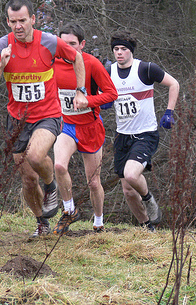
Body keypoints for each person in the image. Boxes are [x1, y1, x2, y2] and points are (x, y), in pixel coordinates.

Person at [0, 0, 86, 238]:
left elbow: (77, 58)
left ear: (33, 19)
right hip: (17, 119)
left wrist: (80, 90)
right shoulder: (1, 46)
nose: (18, 26)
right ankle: (42, 221)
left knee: (35, 155)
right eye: (13, 21)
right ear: (7, 22)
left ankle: (51, 186)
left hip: (47, 114)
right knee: (28, 178)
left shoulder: (49, 42)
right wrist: (2, 65)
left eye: (22, 20)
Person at [107, 29, 179, 231]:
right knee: (128, 191)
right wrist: (101, 102)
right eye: (116, 49)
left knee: (131, 175)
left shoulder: (145, 69)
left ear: (131, 51)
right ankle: (147, 227)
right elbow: (97, 93)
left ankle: (149, 199)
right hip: (122, 136)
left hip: (146, 134)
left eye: (123, 49)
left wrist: (168, 112)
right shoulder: (109, 72)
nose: (119, 53)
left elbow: (174, 83)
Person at [52, 23, 117, 234]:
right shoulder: (52, 62)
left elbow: (111, 94)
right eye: (64, 43)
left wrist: (88, 101)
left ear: (82, 44)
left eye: (73, 44)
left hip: (90, 127)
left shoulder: (92, 63)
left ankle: (98, 223)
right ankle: (69, 210)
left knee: (93, 182)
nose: (68, 48)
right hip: (67, 125)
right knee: (59, 167)